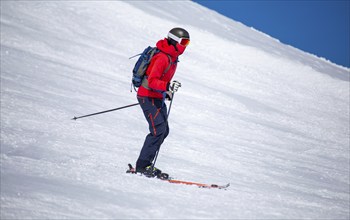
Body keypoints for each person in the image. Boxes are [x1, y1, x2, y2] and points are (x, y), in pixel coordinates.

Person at [135, 27, 190, 175]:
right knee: (157, 130)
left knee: (163, 131)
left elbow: (160, 80)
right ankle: (142, 165)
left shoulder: (172, 58)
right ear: (174, 40)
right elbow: (152, 81)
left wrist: (165, 92)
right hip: (147, 96)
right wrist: (167, 86)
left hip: (156, 97)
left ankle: (146, 164)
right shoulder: (163, 57)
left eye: (187, 42)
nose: (185, 46)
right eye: (183, 42)